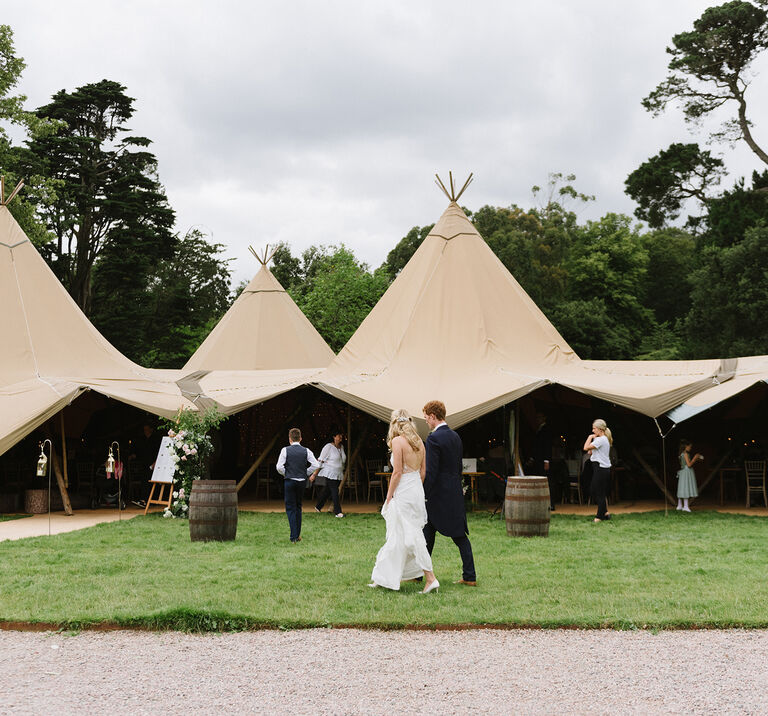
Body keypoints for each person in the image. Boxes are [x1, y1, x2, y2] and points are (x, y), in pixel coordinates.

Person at [370, 409, 439, 594]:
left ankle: (430, 577)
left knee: (411, 535)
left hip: (404, 491)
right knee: (397, 534)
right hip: (416, 488)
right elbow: (423, 472)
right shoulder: (419, 443)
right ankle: (383, 577)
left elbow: (397, 472)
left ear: (394, 424)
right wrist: (415, 486)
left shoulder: (398, 441)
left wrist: (389, 496)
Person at [422, 400, 476, 587]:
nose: (426, 422)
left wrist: (424, 493)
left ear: (433, 416)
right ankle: (469, 576)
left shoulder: (433, 439)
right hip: (453, 491)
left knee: (428, 535)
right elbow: (458, 467)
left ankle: (418, 574)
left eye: (426, 418)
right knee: (456, 535)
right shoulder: (455, 436)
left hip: (437, 494)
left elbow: (431, 471)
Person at [276, 428, 319, 543]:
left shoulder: (285, 450)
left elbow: (279, 467)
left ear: (290, 439)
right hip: (301, 481)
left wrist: (287, 473)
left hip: (290, 481)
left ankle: (294, 536)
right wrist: (306, 472)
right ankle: (297, 535)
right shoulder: (306, 451)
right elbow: (316, 464)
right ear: (300, 438)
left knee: (290, 508)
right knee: (298, 507)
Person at [311, 430, 346, 517]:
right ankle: (338, 512)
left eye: (341, 435)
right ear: (334, 437)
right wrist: (314, 474)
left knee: (328, 490)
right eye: (338, 435)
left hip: (338, 473)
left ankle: (318, 506)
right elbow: (320, 460)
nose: (340, 437)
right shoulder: (328, 447)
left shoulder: (342, 447)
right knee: (335, 491)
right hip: (330, 472)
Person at [584, 418, 613, 523]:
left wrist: (589, 437)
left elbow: (585, 448)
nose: (592, 431)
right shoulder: (601, 439)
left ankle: (599, 516)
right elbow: (591, 452)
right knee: (596, 490)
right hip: (600, 467)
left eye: (594, 428)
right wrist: (592, 450)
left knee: (598, 491)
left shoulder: (601, 439)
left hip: (601, 468)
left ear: (600, 429)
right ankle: (605, 513)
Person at [532, 411, 555, 510]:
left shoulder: (546, 430)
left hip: (544, 460)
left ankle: (551, 503)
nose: (538, 419)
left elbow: (547, 446)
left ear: (544, 418)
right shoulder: (539, 430)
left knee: (547, 481)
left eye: (539, 417)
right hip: (539, 459)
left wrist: (547, 460)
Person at [676, 440, 701, 512]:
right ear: (685, 446)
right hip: (686, 472)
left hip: (683, 471)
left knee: (682, 487)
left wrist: (695, 460)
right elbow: (689, 465)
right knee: (686, 487)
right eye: (689, 446)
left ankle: (680, 505)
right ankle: (685, 506)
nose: (690, 448)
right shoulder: (685, 454)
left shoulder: (681, 454)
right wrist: (695, 458)